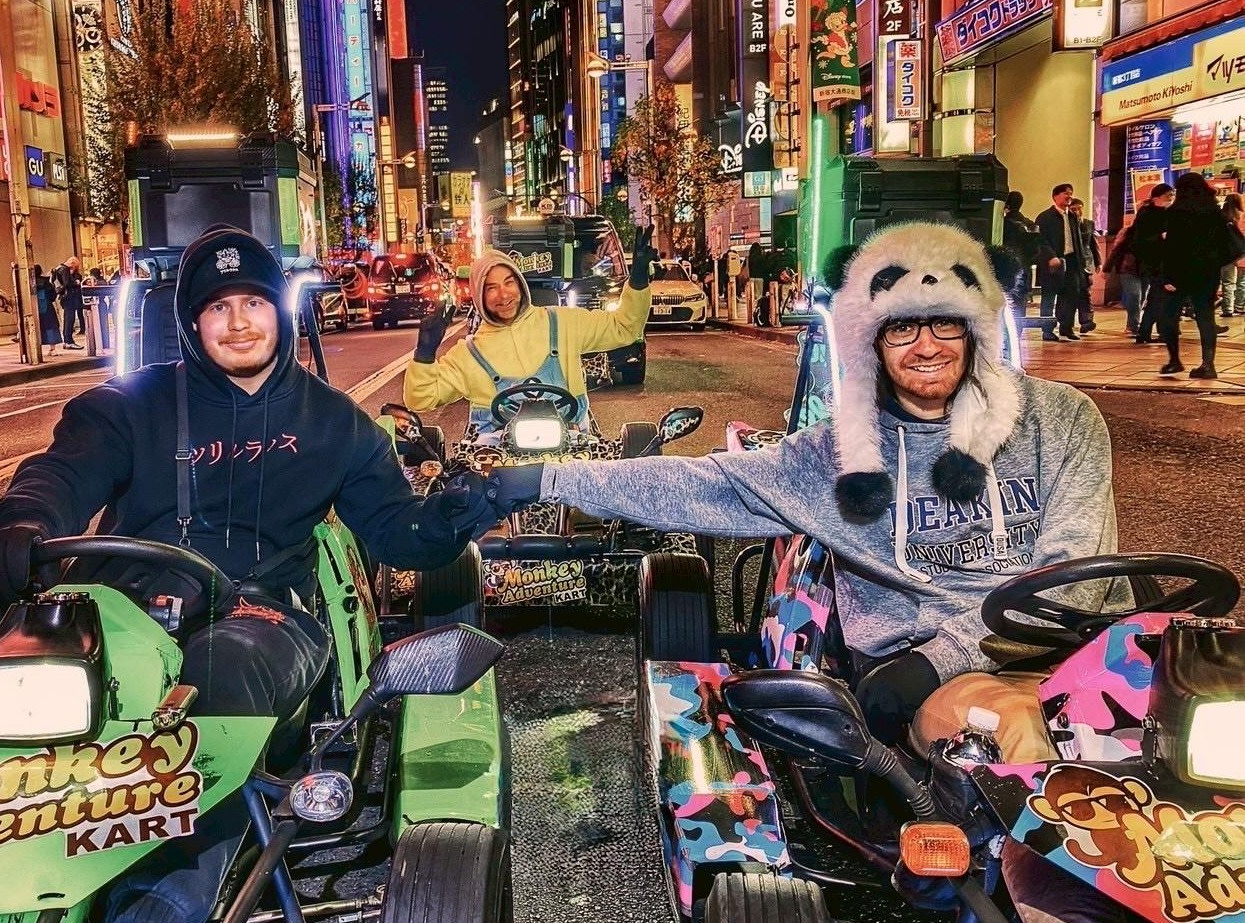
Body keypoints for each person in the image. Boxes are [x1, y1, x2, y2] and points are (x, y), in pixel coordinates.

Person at [472, 222, 1129, 921]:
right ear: (869, 342)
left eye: (944, 322)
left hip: (1098, 661)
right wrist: (542, 479)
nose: (927, 345)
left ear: (975, 326)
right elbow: (698, 484)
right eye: (902, 328)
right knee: (1014, 723)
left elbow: (1077, 576)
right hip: (970, 686)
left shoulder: (1062, 421)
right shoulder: (834, 458)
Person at [0, 225, 491, 923]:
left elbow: (401, 533)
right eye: (217, 307)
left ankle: (160, 903)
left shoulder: (335, 423)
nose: (238, 322)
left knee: (215, 682)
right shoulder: (130, 405)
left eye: (253, 302)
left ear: (280, 309)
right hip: (122, 609)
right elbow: (61, 472)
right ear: (192, 322)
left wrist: (461, 511)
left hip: (265, 614)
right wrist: (22, 521)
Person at [404, 225, 656, 438]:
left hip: (572, 456)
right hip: (498, 467)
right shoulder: (469, 354)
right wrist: (424, 353)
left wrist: (638, 279)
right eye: (490, 288)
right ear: (479, 296)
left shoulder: (562, 322)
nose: (503, 295)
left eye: (508, 283)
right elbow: (421, 399)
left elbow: (625, 328)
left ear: (520, 284)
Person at [1157, 171, 1236, 379]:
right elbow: (1223, 245)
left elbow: (1172, 247)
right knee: (1205, 317)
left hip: (1181, 272)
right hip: (1207, 273)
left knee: (1168, 316)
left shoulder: (1177, 212)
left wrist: (1168, 277)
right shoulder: (1214, 212)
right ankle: (1208, 364)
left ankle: (1174, 360)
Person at [1035, 183, 1087, 341]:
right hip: (1052, 263)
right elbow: (1040, 241)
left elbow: (1078, 241)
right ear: (1055, 196)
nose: (1069, 196)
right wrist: (1050, 256)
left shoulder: (1072, 216)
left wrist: (1082, 264)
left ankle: (1066, 327)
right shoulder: (1045, 217)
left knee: (1071, 295)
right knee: (1049, 296)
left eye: (1071, 193)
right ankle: (1047, 330)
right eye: (1066, 194)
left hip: (1071, 261)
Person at [1130, 183, 1174, 345]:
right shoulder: (1146, 214)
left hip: (1165, 261)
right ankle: (1149, 332)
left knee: (1157, 296)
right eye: (1167, 196)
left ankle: (1146, 332)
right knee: (1159, 295)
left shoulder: (1167, 213)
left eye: (1172, 195)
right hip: (1152, 261)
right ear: (1157, 197)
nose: (1170, 198)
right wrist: (1160, 237)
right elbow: (1139, 240)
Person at [1001, 191, 1042, 331]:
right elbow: (1036, 251)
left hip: (1004, 270)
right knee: (1019, 306)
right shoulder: (1029, 224)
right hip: (1024, 269)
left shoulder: (1002, 224)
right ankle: (1017, 334)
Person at [1102, 222, 1143, 336]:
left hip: (1147, 270)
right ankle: (1132, 326)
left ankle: (1136, 324)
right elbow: (1116, 250)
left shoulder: (1155, 232)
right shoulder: (1128, 232)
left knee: (1141, 298)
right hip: (1128, 269)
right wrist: (1107, 268)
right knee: (1134, 295)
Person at [1066, 198, 1101, 333]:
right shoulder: (1067, 224)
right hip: (1072, 262)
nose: (1077, 211)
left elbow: (1093, 244)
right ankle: (1070, 321)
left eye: (1079, 208)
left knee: (1085, 292)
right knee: (1074, 292)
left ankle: (1086, 321)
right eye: (1073, 209)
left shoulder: (1088, 224)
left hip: (1086, 262)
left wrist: (1098, 262)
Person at [1221, 192, 1245, 319]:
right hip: (1236, 255)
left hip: (1221, 255)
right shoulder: (1239, 216)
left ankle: (1227, 308)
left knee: (1226, 282)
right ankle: (1236, 306)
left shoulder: (1221, 215)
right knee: (1237, 282)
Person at [53, 256, 84, 349]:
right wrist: (76, 282)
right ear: (73, 263)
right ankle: (68, 341)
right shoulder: (65, 270)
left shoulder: (58, 268)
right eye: (76, 266)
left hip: (63, 297)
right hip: (69, 298)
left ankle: (67, 341)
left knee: (68, 319)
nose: (75, 269)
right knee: (70, 319)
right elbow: (67, 283)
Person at [32, 264, 62, 347]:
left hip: (34, 308)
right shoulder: (46, 282)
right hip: (47, 307)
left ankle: (37, 348)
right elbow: (53, 296)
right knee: (50, 326)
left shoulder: (29, 284)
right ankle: (52, 348)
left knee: (37, 328)